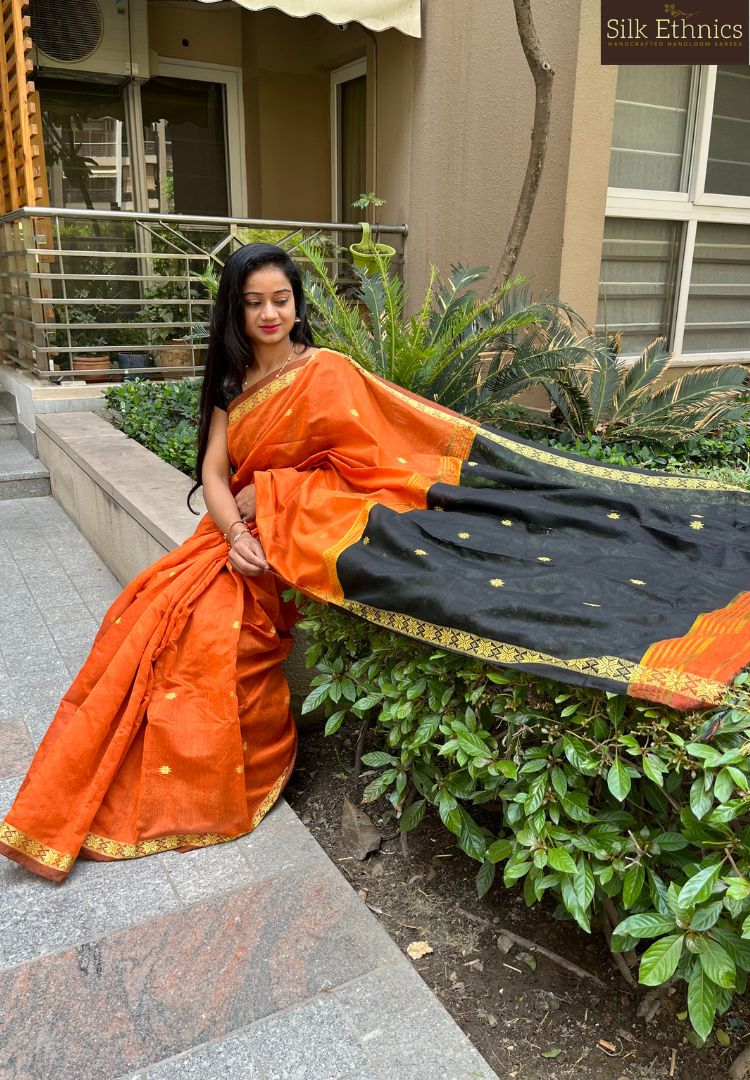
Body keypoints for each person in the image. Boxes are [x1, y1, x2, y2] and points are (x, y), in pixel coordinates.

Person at [4, 243, 750, 883]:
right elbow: (212, 470)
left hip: (311, 519)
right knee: (149, 615)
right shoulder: (232, 386)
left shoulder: (325, 371)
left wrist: (276, 494)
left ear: (297, 306)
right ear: (235, 312)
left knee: (217, 635)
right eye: (254, 303)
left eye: (282, 301)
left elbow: (375, 452)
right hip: (241, 534)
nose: (270, 315)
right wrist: (234, 532)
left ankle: (222, 775)